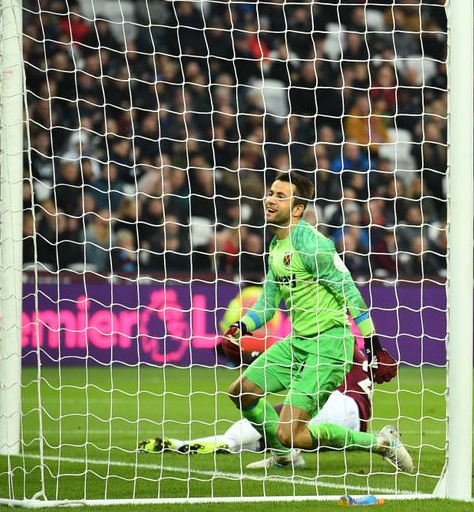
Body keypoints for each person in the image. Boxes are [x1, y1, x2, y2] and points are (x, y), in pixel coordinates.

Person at [222, 172, 412, 473]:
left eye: (280, 196)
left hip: (330, 344)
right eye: (271, 192)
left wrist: (372, 342)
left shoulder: (312, 244)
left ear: (298, 208)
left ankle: (381, 443)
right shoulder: (276, 246)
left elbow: (348, 289)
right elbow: (268, 303)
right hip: (299, 342)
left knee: (290, 433)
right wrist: (239, 328)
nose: (270, 199)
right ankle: (285, 455)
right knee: (241, 390)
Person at [137, 344, 372, 468]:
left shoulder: (332, 337)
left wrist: (244, 355)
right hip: (356, 421)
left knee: (279, 414)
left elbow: (287, 360)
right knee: (274, 437)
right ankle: (193, 445)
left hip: (343, 403)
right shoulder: (345, 343)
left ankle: (226, 441)